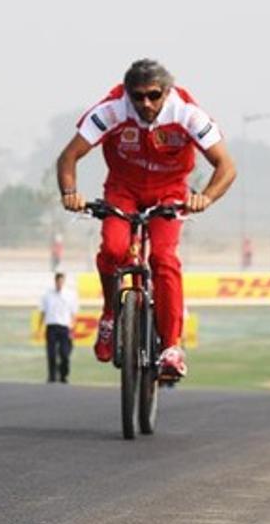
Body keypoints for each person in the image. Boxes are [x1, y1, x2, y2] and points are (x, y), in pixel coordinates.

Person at [55, 59, 236, 380]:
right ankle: (111, 315)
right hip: (123, 189)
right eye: (137, 97)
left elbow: (226, 167)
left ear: (167, 93)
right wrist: (70, 193)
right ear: (127, 94)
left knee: (165, 259)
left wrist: (205, 197)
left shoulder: (187, 114)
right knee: (113, 249)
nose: (146, 104)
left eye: (153, 96)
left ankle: (171, 347)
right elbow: (68, 157)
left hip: (170, 192)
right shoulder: (111, 110)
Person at [40, 272, 78, 383]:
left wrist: (72, 328)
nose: (59, 284)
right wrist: (39, 328)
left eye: (61, 281)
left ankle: (63, 374)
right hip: (51, 326)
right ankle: (52, 375)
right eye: (58, 281)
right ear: (55, 281)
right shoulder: (47, 295)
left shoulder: (70, 295)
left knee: (64, 353)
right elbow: (43, 312)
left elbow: (74, 313)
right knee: (51, 353)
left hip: (64, 327)